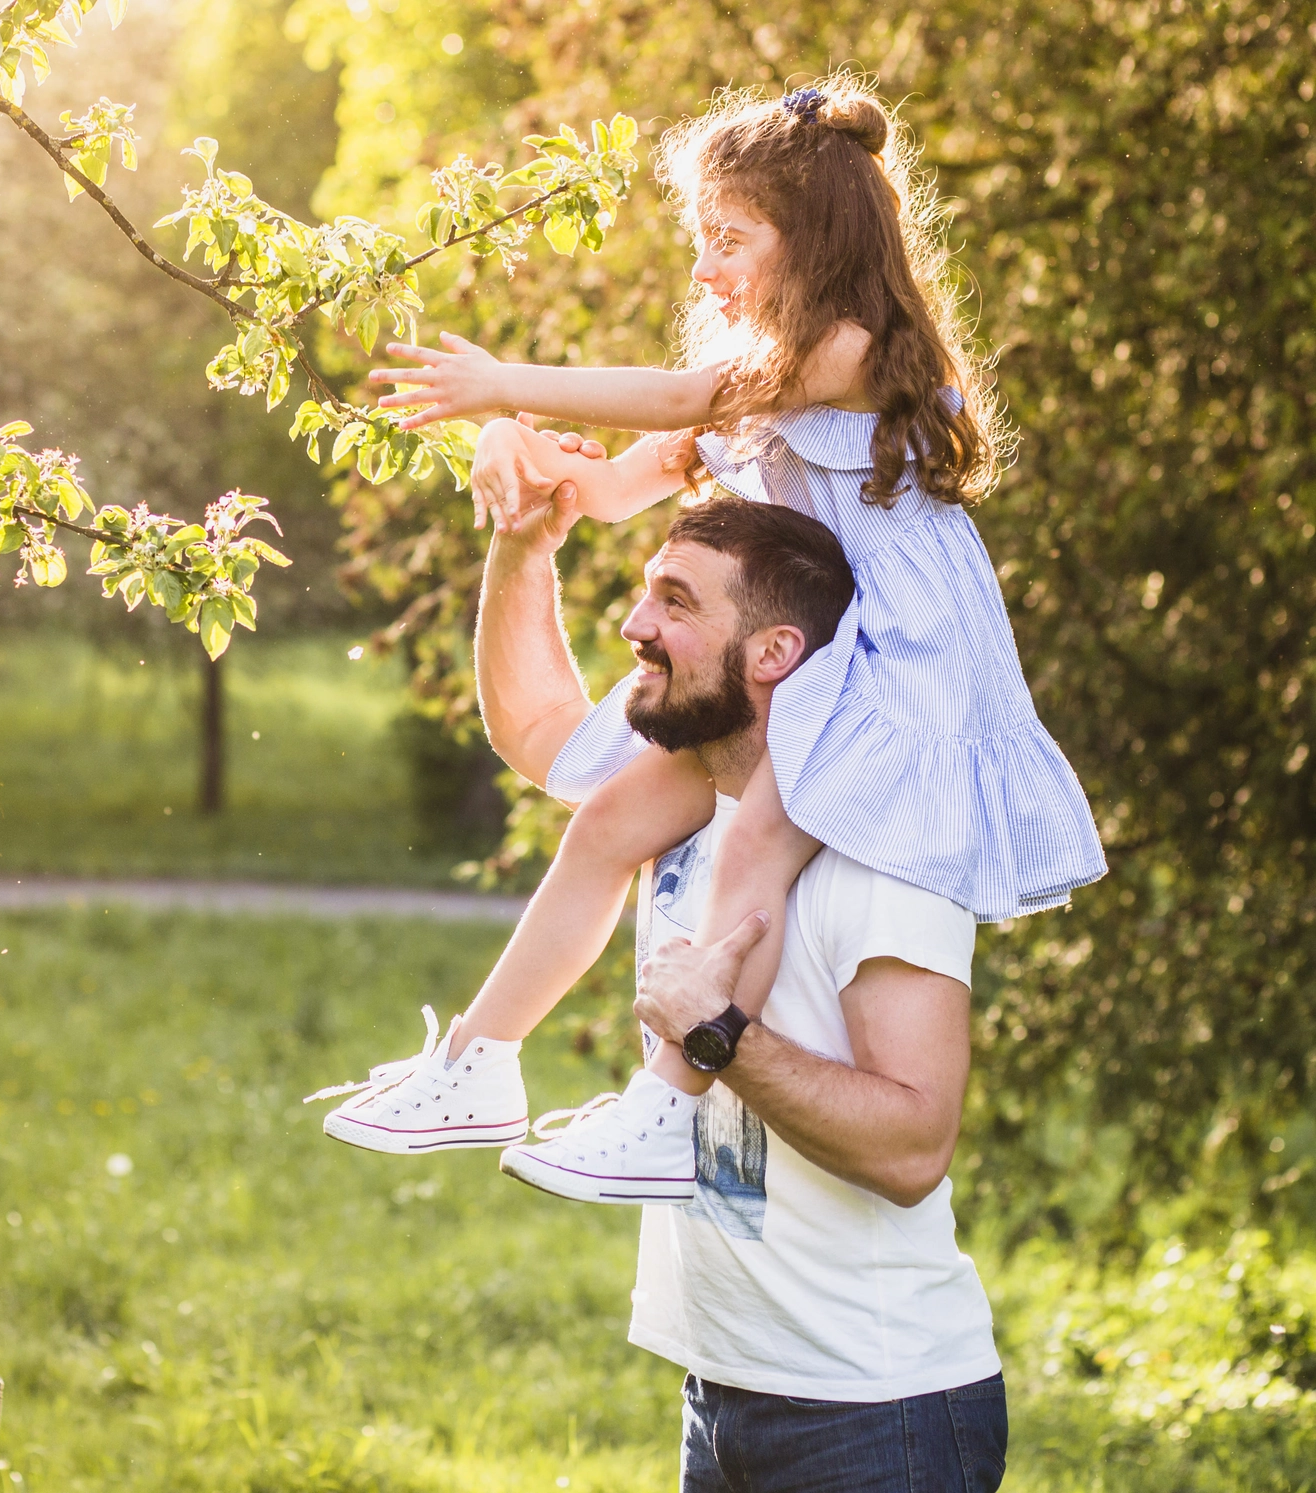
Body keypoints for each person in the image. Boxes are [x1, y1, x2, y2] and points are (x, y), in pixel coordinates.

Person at [313, 76, 1103, 1194]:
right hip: (803, 666)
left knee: (749, 850)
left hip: (889, 672)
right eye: (700, 237)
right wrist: (522, 455)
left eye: (728, 238)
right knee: (605, 824)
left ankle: (667, 1105)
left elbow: (688, 396)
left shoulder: (848, 348)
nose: (703, 265)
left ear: (815, 242)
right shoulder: (760, 394)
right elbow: (610, 488)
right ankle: (478, 1058)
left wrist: (504, 377)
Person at [519, 493, 1009, 1487]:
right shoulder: (691, 823)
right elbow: (538, 740)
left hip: (875, 1413)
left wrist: (717, 1037)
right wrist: (517, 540)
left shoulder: (879, 856)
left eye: (674, 602)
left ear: (773, 652)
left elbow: (914, 1145)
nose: (633, 626)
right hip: (718, 1390)